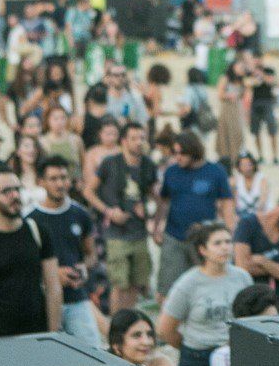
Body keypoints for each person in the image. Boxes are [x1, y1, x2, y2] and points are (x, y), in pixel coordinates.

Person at [159, 221, 253, 366]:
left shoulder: (242, 277)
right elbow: (165, 329)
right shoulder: (188, 283)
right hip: (198, 361)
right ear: (203, 250)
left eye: (228, 241)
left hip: (235, 355)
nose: (225, 247)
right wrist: (192, 345)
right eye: (217, 243)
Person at [0, 171, 62, 339]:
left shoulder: (38, 232)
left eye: (17, 189)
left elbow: (53, 287)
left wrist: (53, 336)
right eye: (6, 191)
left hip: (38, 333)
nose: (15, 195)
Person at [25, 156, 102, 348]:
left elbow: (91, 254)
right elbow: (22, 264)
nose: (60, 184)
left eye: (63, 177)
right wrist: (53, 275)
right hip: (42, 300)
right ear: (41, 182)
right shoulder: (30, 219)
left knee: (92, 350)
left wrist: (83, 268)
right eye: (53, 179)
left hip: (76, 296)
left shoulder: (80, 214)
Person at [86, 122, 157, 312]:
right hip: (116, 233)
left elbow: (155, 196)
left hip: (139, 232)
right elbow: (88, 192)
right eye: (134, 138)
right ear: (124, 141)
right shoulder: (110, 163)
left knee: (136, 283)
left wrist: (149, 211)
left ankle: (128, 321)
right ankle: (117, 323)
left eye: (142, 138)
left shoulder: (148, 164)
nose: (139, 142)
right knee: (119, 284)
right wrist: (108, 211)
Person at [154, 132, 233, 301]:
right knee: (167, 290)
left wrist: (228, 231)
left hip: (203, 240)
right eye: (175, 153)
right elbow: (164, 202)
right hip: (174, 236)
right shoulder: (171, 172)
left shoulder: (215, 171)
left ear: (194, 151)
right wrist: (156, 227)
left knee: (206, 287)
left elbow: (227, 202)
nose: (177, 157)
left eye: (182, 153)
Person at [214, 73, 247, 167]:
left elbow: (243, 95)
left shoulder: (242, 79)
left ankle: (234, 159)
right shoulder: (225, 78)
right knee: (225, 135)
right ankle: (225, 160)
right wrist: (229, 96)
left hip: (237, 110)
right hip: (227, 110)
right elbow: (220, 95)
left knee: (237, 135)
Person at [178, 67, 216, 139]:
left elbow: (187, 108)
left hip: (193, 123)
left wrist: (180, 112)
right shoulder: (203, 88)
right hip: (203, 122)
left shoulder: (189, 89)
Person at [231, 151, 268, 219]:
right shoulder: (236, 180)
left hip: (260, 215)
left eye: (249, 164)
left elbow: (263, 201)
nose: (246, 168)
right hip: (241, 215)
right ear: (239, 167)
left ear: (253, 165)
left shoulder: (261, 179)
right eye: (243, 165)